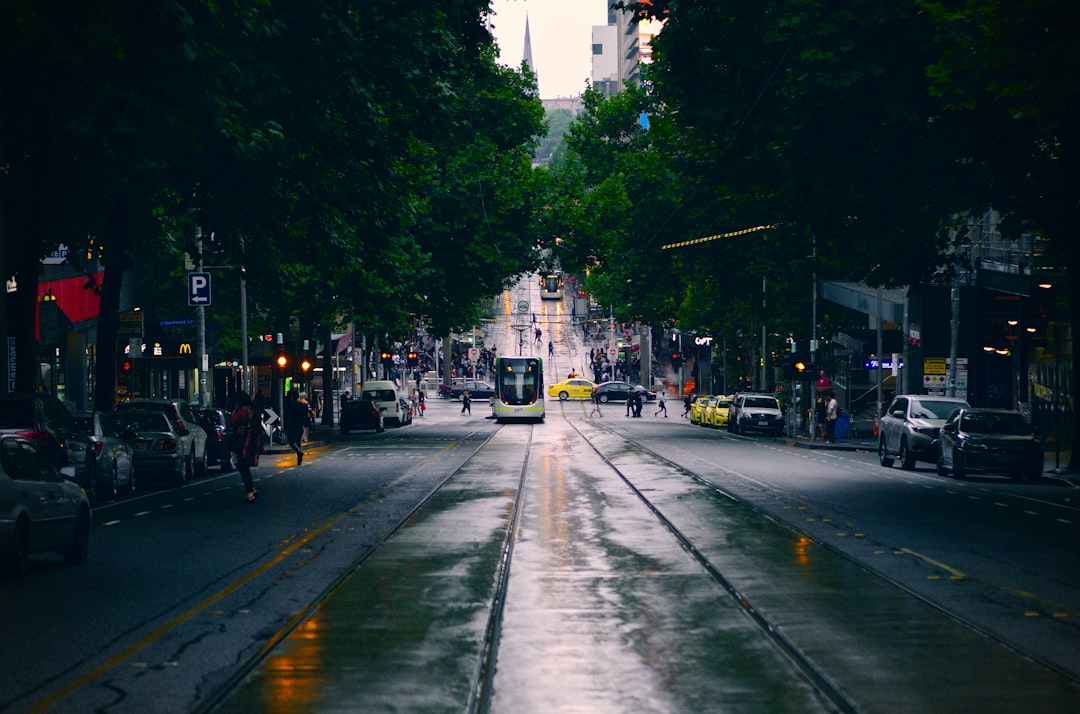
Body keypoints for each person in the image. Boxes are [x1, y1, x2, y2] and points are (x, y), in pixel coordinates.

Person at [229, 391, 262, 502]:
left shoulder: (242, 410)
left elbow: (233, 421)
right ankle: (251, 489)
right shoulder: (254, 409)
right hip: (253, 440)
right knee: (245, 466)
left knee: (242, 466)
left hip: (243, 441)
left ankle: (250, 490)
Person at [286, 391, 309, 465]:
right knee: (299, 442)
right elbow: (306, 414)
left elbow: (288, 415)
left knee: (291, 441)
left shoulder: (291, 405)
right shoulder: (302, 405)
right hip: (300, 425)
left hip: (293, 425)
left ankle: (299, 452)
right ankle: (299, 459)